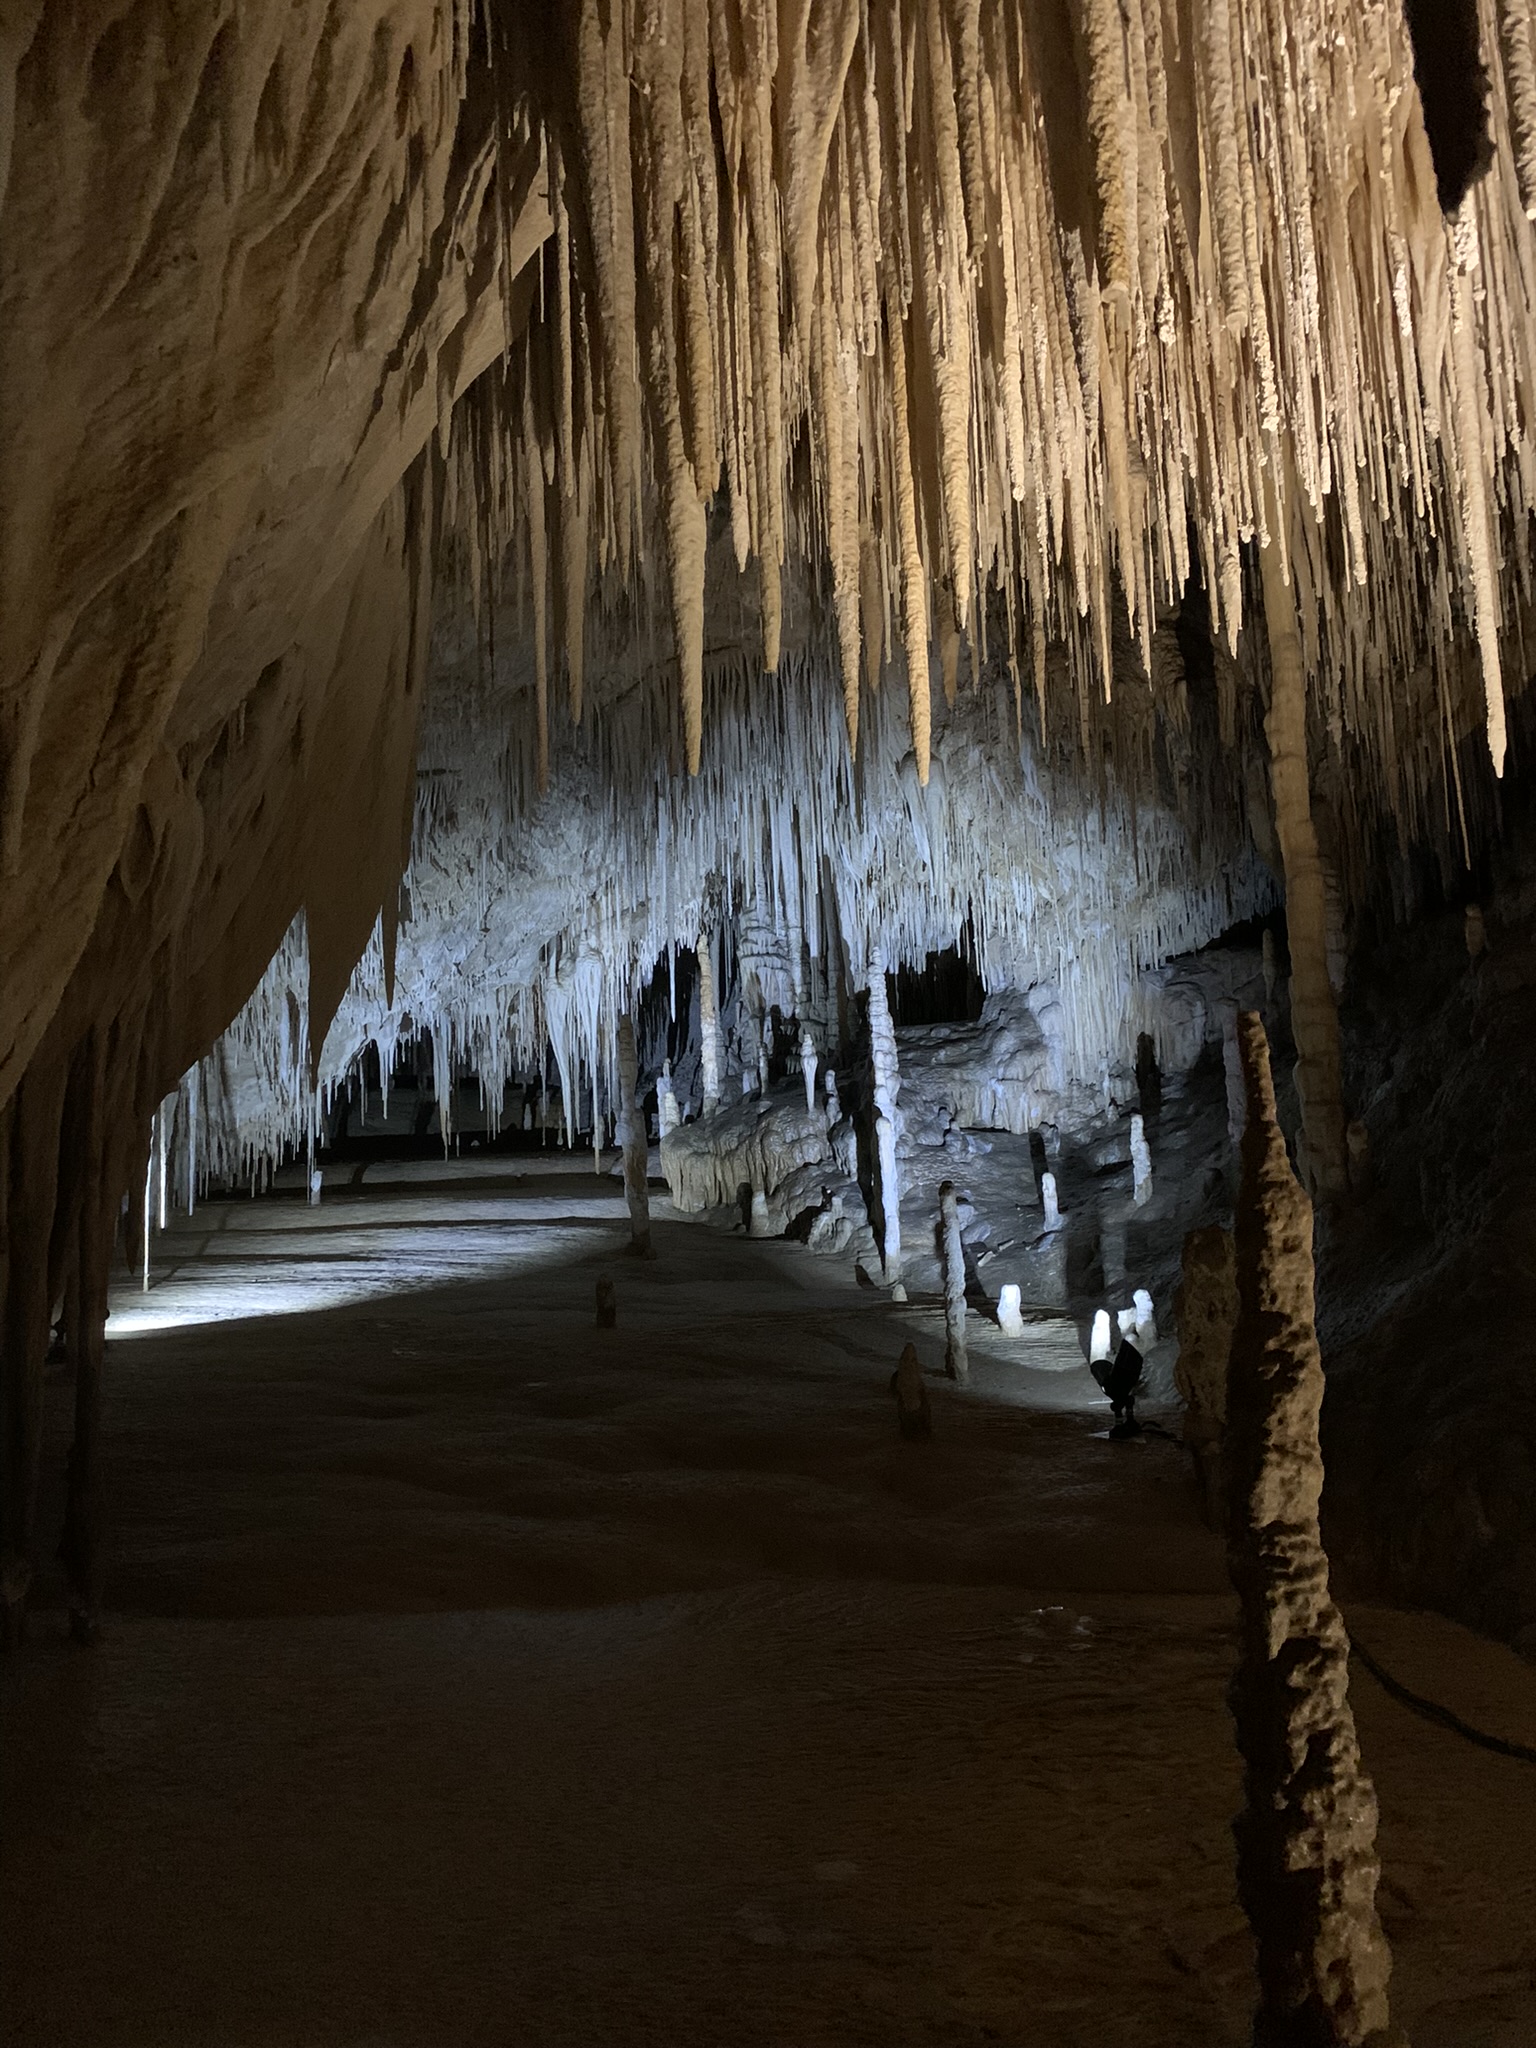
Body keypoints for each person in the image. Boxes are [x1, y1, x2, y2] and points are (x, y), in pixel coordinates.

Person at [1092, 1333, 1144, 1438]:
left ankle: (1123, 1423)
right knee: (1122, 1398)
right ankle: (1128, 1421)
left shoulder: (1111, 1387)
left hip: (1118, 1384)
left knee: (1120, 1399)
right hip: (1121, 1382)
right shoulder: (1114, 1385)